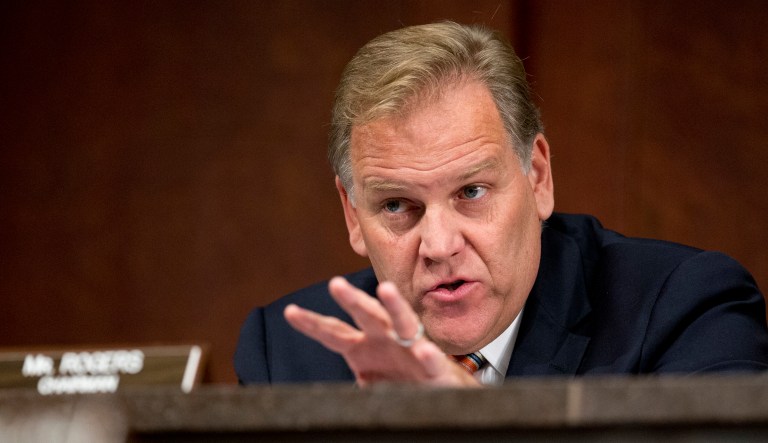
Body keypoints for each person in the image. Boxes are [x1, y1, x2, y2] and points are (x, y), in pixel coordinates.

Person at [235, 21, 768, 387]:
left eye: (471, 192)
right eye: (399, 206)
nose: (440, 247)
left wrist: (466, 426)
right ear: (353, 214)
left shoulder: (684, 311)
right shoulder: (288, 352)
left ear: (537, 177)